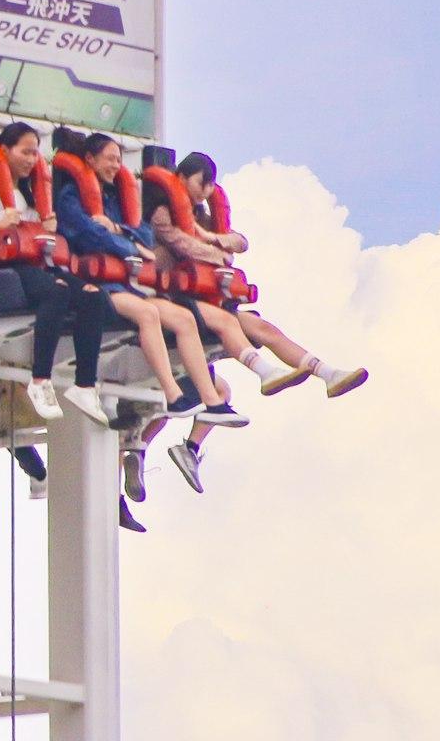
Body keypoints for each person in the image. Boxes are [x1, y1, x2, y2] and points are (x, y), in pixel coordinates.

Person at [134, 152, 366, 494]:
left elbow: (239, 242)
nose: (206, 191)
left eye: (211, 185)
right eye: (202, 183)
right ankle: (262, 373)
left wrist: (214, 238)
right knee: (215, 374)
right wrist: (217, 251)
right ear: (182, 178)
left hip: (203, 297)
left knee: (263, 329)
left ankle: (327, 373)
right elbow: (185, 246)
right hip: (170, 298)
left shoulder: (199, 216)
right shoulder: (162, 212)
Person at [54, 133, 248, 428]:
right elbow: (88, 234)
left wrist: (119, 230)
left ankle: (213, 402)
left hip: (128, 281)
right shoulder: (71, 196)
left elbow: (142, 232)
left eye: (119, 159)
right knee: (148, 313)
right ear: (90, 159)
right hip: (95, 282)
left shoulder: (115, 199)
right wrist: (129, 246)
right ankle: (172, 394)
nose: (116, 165)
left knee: (184, 319)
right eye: (110, 159)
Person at [0, 122, 110, 425]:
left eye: (35, 153)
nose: (31, 159)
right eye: (25, 152)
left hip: (26, 263)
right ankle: (39, 380)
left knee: (93, 296)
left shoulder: (22, 196)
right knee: (56, 291)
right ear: (4, 150)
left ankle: (85, 384)